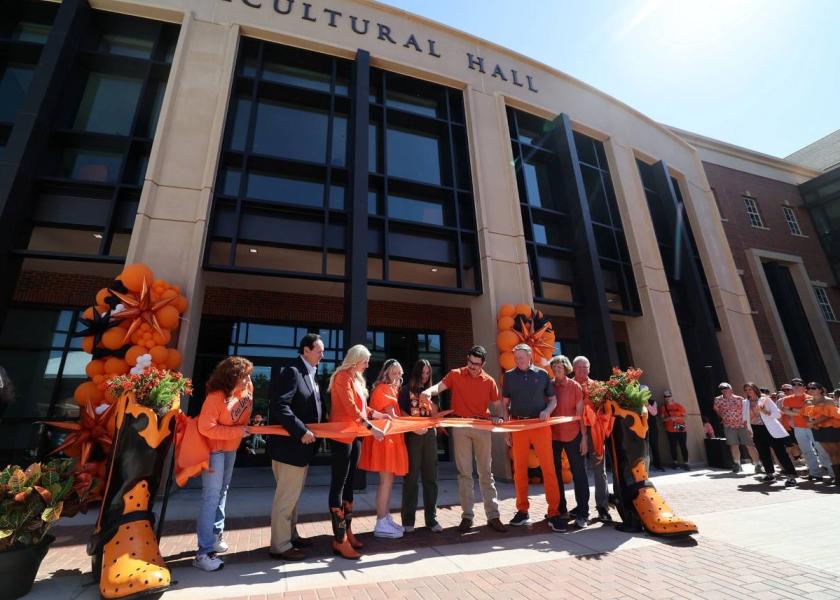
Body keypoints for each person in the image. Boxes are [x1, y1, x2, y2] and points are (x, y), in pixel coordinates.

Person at [420, 346, 507, 534]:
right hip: (460, 426)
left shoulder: (489, 381)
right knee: (465, 474)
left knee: (486, 472)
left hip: (482, 426)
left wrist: (498, 416)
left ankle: (493, 516)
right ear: (467, 359)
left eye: (477, 364)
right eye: (470, 362)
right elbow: (439, 387)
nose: (473, 367)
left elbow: (498, 406)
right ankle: (467, 517)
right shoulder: (456, 374)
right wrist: (428, 392)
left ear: (483, 364)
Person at [266, 334, 326, 562]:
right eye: (319, 351)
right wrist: (301, 431)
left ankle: (291, 535)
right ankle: (280, 546)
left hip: (303, 450)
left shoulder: (311, 374)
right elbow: (279, 406)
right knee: (286, 499)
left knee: (294, 498)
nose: (323, 355)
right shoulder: (292, 371)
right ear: (306, 350)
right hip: (290, 448)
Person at [194, 356, 254, 572]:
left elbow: (243, 416)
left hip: (231, 448)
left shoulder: (248, 389)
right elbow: (205, 428)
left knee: (223, 491)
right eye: (244, 375)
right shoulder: (216, 397)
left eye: (249, 375)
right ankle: (203, 552)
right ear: (231, 377)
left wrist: (247, 427)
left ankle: (216, 534)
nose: (248, 379)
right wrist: (237, 431)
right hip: (214, 450)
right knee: (211, 496)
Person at [327, 344, 387, 558]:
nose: (368, 365)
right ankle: (339, 539)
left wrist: (378, 416)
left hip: (356, 434)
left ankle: (347, 532)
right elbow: (350, 408)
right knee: (339, 485)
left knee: (350, 483)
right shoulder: (342, 377)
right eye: (365, 361)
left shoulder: (356, 379)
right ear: (355, 360)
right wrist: (372, 427)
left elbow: (361, 408)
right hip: (342, 436)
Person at [502, 343, 564, 532]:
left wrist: (547, 410)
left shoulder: (542, 374)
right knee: (519, 470)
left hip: (539, 425)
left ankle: (554, 512)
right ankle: (522, 511)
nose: (518, 361)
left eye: (521, 357)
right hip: (518, 426)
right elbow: (505, 404)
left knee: (549, 469)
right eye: (516, 358)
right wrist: (507, 429)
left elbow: (553, 400)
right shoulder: (509, 376)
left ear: (530, 357)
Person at [359, 359, 409, 538]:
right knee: (386, 482)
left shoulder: (388, 389)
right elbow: (393, 416)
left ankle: (385, 517)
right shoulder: (385, 389)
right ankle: (381, 522)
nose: (398, 376)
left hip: (388, 440)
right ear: (386, 373)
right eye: (394, 372)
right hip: (386, 441)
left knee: (387, 481)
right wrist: (415, 423)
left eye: (400, 373)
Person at [399, 359, 442, 533]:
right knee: (411, 479)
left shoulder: (433, 391)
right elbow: (401, 412)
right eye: (422, 373)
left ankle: (431, 520)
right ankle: (408, 521)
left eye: (427, 374)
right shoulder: (404, 390)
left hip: (430, 436)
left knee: (431, 478)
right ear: (416, 372)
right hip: (412, 436)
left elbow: (437, 413)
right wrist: (414, 428)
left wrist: (429, 398)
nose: (425, 377)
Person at [548, 355, 589, 529]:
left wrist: (584, 438)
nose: (557, 370)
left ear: (566, 369)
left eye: (560, 367)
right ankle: (561, 509)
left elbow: (581, 415)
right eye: (554, 368)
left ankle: (583, 513)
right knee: (555, 474)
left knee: (579, 474)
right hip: (553, 436)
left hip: (573, 435)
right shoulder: (548, 386)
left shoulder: (575, 386)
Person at [572, 355, 612, 522]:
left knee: (599, 470)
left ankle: (602, 506)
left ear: (589, 368)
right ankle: (582, 505)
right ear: (573, 369)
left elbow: (606, 410)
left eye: (585, 367)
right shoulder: (569, 386)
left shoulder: (598, 387)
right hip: (575, 432)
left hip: (594, 431)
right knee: (578, 471)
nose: (583, 370)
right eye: (579, 367)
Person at [743, 383, 797, 486]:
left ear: (755, 389)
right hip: (756, 430)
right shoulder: (745, 403)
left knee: (781, 453)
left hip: (770, 429)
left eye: (750, 389)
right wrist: (747, 428)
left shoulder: (765, 399)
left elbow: (777, 413)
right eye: (746, 390)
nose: (748, 391)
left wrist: (765, 411)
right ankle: (770, 474)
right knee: (763, 453)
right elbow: (745, 417)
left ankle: (791, 476)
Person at [782, 378, 832, 481]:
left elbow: (809, 412)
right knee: (806, 451)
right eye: (793, 384)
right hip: (798, 427)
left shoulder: (810, 397)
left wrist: (793, 410)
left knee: (821, 449)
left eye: (799, 384)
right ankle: (815, 474)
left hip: (813, 426)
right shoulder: (787, 399)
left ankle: (833, 473)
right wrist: (800, 411)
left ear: (804, 387)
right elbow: (785, 411)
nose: (796, 386)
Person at [713, 382, 760, 473]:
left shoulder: (740, 399)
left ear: (731, 389)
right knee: (733, 445)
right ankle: (737, 464)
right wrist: (723, 417)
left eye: (726, 388)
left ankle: (757, 464)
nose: (724, 390)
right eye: (722, 389)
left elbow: (746, 411)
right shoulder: (718, 400)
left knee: (750, 445)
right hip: (729, 426)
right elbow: (716, 409)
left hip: (742, 425)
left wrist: (748, 424)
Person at [802, 382, 840, 486]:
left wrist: (813, 423)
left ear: (820, 389)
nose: (811, 390)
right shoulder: (808, 401)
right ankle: (838, 478)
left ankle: (838, 478)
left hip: (831, 428)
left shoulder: (827, 400)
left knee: (836, 452)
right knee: (830, 453)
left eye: (814, 388)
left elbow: (829, 415)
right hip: (817, 429)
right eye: (809, 388)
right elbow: (805, 414)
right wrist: (810, 423)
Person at [660, 390, 689, 470]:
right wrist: (669, 418)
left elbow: (685, 417)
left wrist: (677, 417)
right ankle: (675, 462)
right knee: (673, 446)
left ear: (672, 396)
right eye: (666, 396)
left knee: (683, 445)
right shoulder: (663, 407)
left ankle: (686, 463)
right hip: (670, 429)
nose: (668, 398)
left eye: (669, 396)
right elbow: (662, 419)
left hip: (680, 427)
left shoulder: (678, 406)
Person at [646, 389, 665, 472]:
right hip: (641, 427)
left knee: (655, 447)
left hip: (652, 428)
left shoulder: (653, 402)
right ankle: (644, 467)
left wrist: (647, 405)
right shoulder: (637, 402)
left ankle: (658, 465)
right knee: (643, 448)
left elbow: (654, 413)